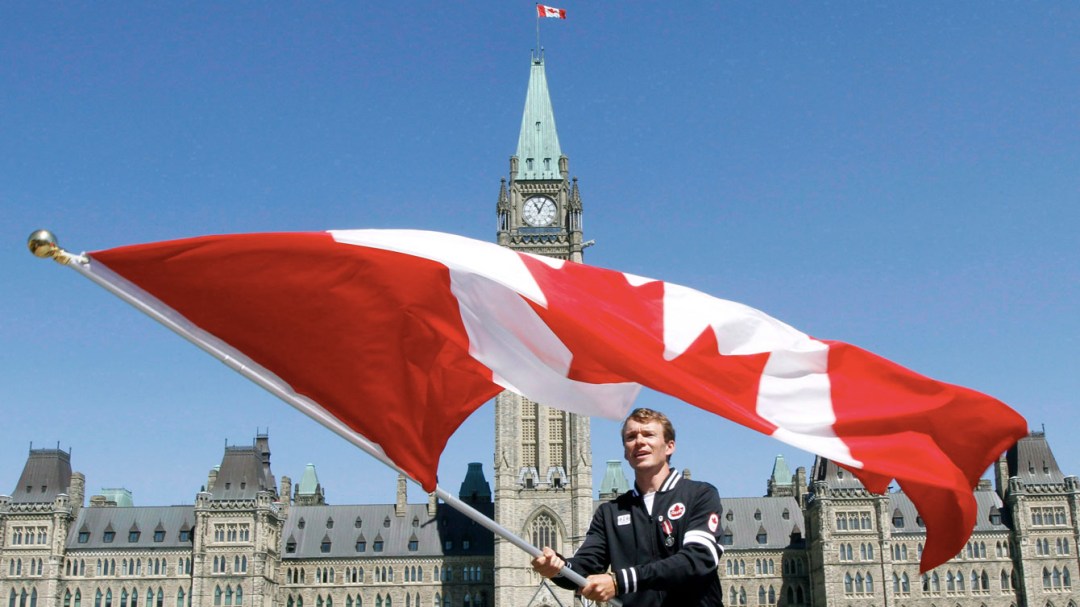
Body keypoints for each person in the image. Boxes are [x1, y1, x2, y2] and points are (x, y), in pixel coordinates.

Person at [531, 407, 725, 606]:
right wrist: (559, 567)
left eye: (648, 434)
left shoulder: (699, 495)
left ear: (669, 446)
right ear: (626, 451)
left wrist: (619, 582)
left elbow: (698, 559)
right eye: (631, 437)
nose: (639, 441)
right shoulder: (610, 512)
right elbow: (585, 566)